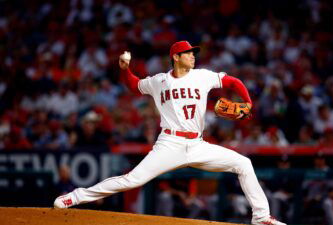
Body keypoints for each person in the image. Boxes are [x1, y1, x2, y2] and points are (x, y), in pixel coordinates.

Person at [53, 41, 286, 225]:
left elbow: (232, 81)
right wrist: (125, 70)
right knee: (132, 179)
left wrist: (247, 102)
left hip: (198, 144)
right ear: (176, 57)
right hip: (169, 143)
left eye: (193, 53)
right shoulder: (159, 81)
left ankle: (261, 217)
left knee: (243, 164)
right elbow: (133, 85)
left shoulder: (202, 75)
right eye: (188, 53)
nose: (193, 56)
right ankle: (75, 196)